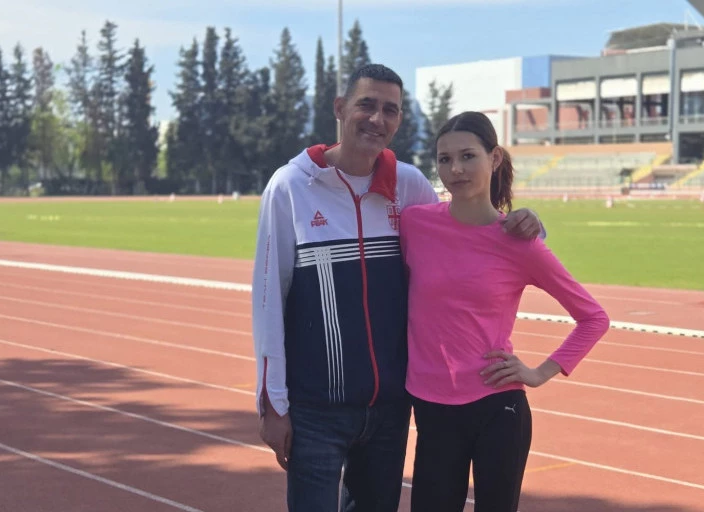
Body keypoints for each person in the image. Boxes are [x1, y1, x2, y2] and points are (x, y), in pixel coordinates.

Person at [251, 65, 543, 512]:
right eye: (366, 105)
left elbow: (466, 231)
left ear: (400, 120)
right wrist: (273, 402)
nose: (377, 119)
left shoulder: (409, 185)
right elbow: (269, 299)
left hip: (391, 408)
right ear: (340, 108)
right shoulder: (291, 186)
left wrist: (525, 226)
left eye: (390, 110)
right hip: (316, 409)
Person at [400, 111, 610, 512]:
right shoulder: (414, 224)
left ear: (494, 158)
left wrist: (539, 373)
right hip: (432, 406)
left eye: (468, 156)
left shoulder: (519, 242)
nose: (455, 169)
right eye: (445, 159)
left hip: (497, 408)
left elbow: (593, 318)